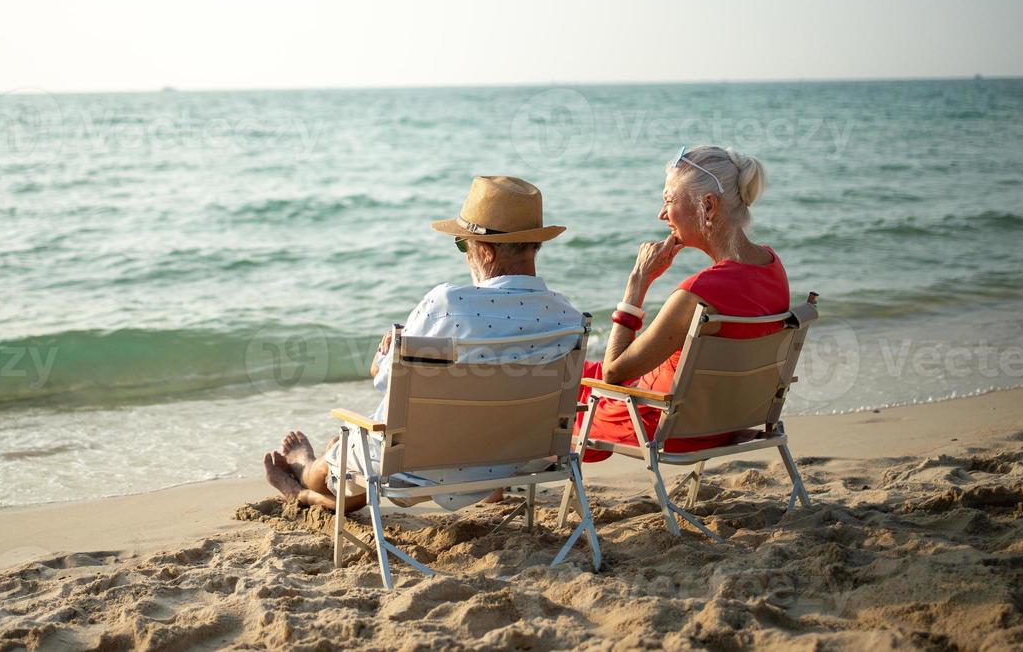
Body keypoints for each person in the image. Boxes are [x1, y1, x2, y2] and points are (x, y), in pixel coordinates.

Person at [263, 175, 586, 512]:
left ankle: (302, 477)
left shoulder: (447, 303)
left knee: (344, 455)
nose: (465, 255)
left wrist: (384, 354)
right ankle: (312, 470)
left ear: (485, 252)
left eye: (463, 245)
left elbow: (385, 380)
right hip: (514, 460)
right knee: (359, 454)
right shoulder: (569, 319)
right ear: (534, 246)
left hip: (421, 465)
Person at [578, 145, 788, 459]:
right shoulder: (773, 266)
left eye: (669, 201)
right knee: (580, 371)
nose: (662, 215)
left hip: (662, 425)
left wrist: (638, 284)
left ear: (708, 206)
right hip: (720, 420)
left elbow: (614, 373)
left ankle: (502, 475)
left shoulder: (698, 293)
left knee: (563, 385)